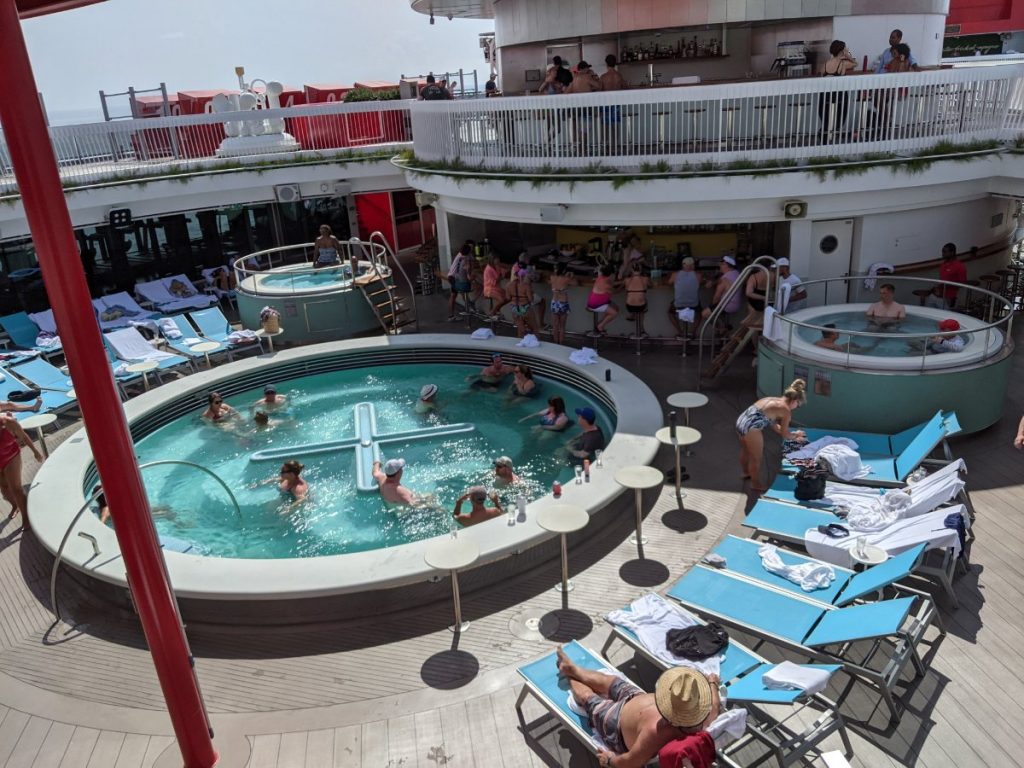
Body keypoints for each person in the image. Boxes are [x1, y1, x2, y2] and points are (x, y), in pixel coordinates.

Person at [555, 647, 720, 768]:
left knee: (589, 699)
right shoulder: (702, 715)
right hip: (637, 697)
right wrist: (712, 683)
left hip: (616, 723)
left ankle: (570, 677)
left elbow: (630, 761)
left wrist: (610, 760)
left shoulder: (655, 734)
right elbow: (714, 705)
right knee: (610, 681)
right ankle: (576, 670)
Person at [736, 379, 807, 491]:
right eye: (798, 405)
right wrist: (796, 436)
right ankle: (755, 484)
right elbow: (784, 434)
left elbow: (775, 427)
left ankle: (745, 472)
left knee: (746, 450)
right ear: (794, 400)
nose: (796, 408)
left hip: (741, 422)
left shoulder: (772, 400)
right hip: (751, 429)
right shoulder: (786, 411)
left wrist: (793, 434)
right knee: (756, 458)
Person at [0, 413, 42, 527]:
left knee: (16, 489)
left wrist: (35, 451)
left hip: (11, 456)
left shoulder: (9, 422)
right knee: (4, 489)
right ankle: (15, 505)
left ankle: (26, 516)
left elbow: (23, 436)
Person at [818, 40, 857, 140]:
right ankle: (832, 134)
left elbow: (821, 77)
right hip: (839, 97)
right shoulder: (842, 64)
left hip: (825, 97)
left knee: (826, 120)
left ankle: (825, 134)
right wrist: (847, 55)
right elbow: (855, 63)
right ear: (842, 51)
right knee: (838, 121)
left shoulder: (825, 64)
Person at [701, 255, 742, 328]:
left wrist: (711, 307)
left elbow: (716, 297)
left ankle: (721, 328)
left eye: (721, 264)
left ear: (725, 265)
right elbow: (723, 280)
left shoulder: (724, 280)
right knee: (718, 311)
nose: (719, 266)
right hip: (736, 305)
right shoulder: (736, 273)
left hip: (727, 306)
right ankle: (725, 327)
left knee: (705, 313)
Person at [668, 257, 701, 341]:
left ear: (683, 265)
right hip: (693, 305)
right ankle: (692, 332)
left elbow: (669, 283)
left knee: (670, 313)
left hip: (679, 304)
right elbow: (701, 282)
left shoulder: (675, 274)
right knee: (700, 313)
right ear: (693, 266)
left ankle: (681, 332)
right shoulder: (698, 275)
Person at [549, 262, 576, 345]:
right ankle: (560, 344)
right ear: (564, 270)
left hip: (554, 302)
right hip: (563, 303)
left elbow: (550, 282)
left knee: (555, 326)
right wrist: (571, 276)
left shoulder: (552, 277)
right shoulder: (566, 279)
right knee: (562, 326)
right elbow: (575, 283)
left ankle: (555, 343)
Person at [588, 265, 620, 334]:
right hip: (597, 304)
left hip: (598, 301)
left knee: (616, 308)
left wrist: (622, 282)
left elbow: (599, 268)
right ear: (611, 274)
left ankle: (599, 323)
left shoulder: (601, 277)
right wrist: (624, 284)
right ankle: (600, 326)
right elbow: (616, 292)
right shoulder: (606, 285)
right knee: (614, 313)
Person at [506, 268, 537, 338]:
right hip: (525, 307)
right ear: (523, 276)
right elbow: (531, 299)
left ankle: (520, 344)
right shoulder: (526, 286)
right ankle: (534, 344)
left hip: (514, 308)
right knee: (534, 329)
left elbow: (508, 298)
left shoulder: (508, 285)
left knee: (520, 330)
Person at [623, 260, 651, 336]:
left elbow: (625, 290)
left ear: (631, 270)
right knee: (644, 304)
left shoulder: (627, 280)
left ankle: (632, 314)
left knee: (629, 297)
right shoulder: (645, 279)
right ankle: (641, 328)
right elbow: (650, 286)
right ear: (641, 269)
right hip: (641, 306)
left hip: (629, 306)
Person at [447, 243, 473, 321]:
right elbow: (468, 269)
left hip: (451, 276)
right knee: (460, 292)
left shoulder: (460, 255)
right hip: (454, 278)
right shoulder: (464, 258)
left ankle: (451, 316)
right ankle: (469, 307)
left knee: (454, 296)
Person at [938, 242, 967, 308]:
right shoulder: (943, 264)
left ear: (952, 253)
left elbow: (963, 283)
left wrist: (947, 286)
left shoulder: (960, 266)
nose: (943, 254)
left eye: (945, 252)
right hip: (940, 295)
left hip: (950, 297)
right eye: (942, 252)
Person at [482, 255, 510, 320]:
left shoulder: (497, 266)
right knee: (502, 300)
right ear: (492, 260)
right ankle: (493, 312)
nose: (498, 261)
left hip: (496, 287)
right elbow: (494, 281)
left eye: (498, 260)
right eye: (496, 260)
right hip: (489, 288)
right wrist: (502, 277)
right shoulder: (488, 269)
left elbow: (504, 271)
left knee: (509, 297)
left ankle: (497, 310)